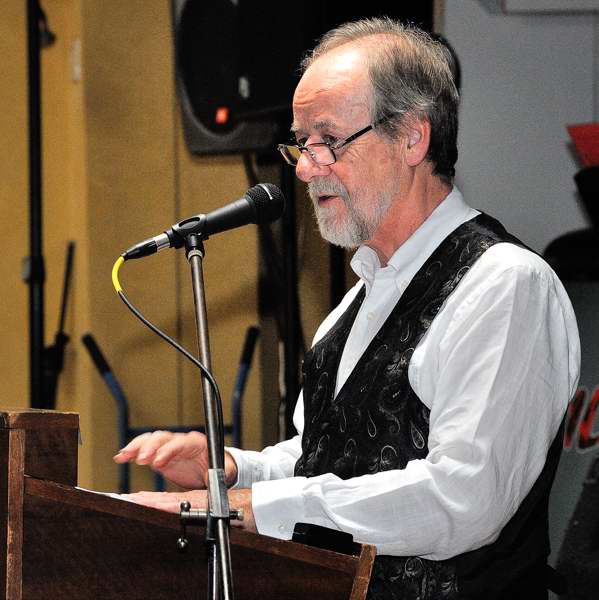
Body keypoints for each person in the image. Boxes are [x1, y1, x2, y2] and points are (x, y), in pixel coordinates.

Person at [114, 17, 580, 600]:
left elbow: (464, 498)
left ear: (412, 139)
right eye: (301, 143)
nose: (306, 167)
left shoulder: (505, 285)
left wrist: (252, 507)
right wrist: (233, 470)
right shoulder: (361, 297)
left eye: (328, 140)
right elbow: (328, 463)